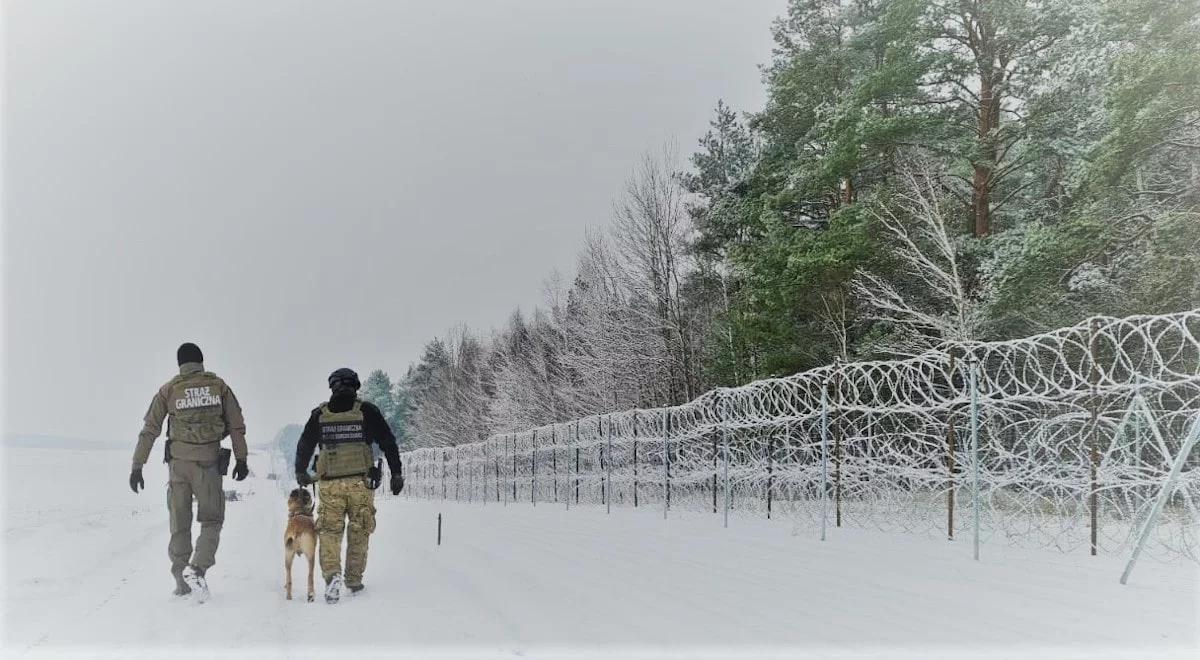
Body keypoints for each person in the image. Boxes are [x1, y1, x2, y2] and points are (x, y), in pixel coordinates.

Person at [129, 342, 248, 600]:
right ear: (202, 361)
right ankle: (197, 569)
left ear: (179, 364)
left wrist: (137, 466)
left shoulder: (169, 389)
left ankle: (181, 584)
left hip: (178, 466)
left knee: (179, 524)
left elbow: (150, 429)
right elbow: (237, 426)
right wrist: (241, 459)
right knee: (212, 520)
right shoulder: (219, 386)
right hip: (208, 464)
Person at [294, 367, 403, 603]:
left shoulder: (320, 414)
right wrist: (397, 473)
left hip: (330, 485)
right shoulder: (367, 411)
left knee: (330, 532)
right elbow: (388, 441)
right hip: (360, 484)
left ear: (332, 386)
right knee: (359, 530)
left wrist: (300, 471)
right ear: (356, 386)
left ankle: (332, 577)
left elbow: (304, 444)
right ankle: (353, 580)